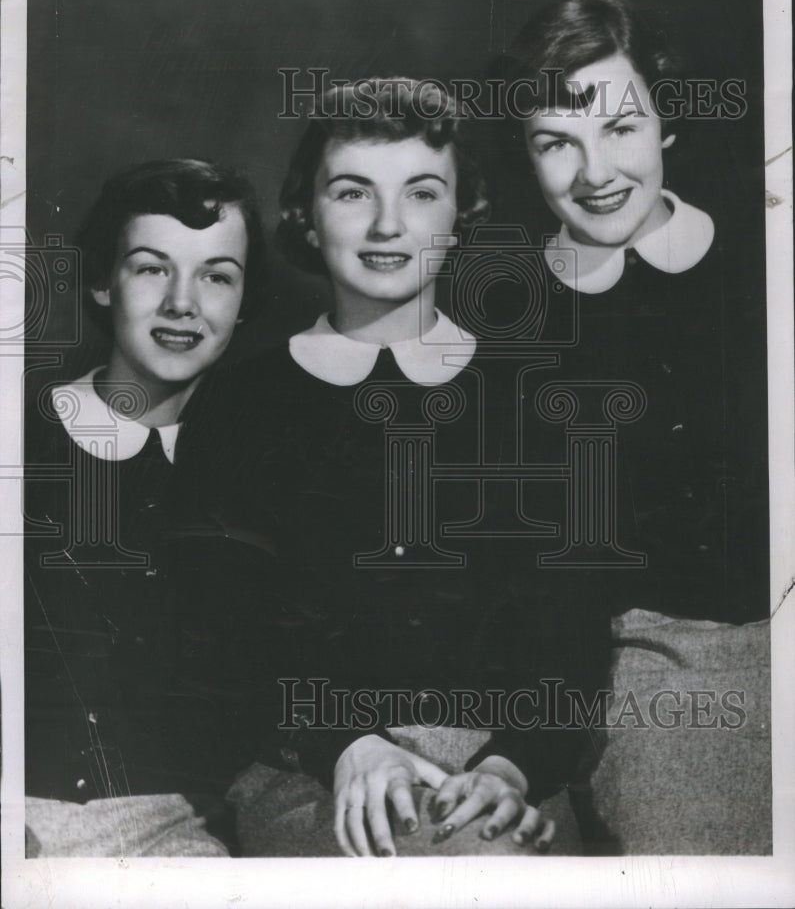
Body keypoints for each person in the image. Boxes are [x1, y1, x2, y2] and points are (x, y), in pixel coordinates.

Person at [178, 78, 612, 857]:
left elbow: (569, 634)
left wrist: (510, 770)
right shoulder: (239, 402)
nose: (387, 224)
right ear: (306, 217)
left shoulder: (537, 396)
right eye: (352, 193)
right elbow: (221, 635)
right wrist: (349, 746)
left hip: (507, 776)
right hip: (311, 770)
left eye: (420, 193)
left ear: (462, 212)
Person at [494, 0, 769, 624]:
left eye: (620, 128)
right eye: (557, 143)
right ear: (526, 155)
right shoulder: (502, 313)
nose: (596, 173)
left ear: (666, 122)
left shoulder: (762, 264)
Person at [24, 158, 268, 856]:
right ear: (102, 281)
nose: (183, 303)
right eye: (152, 268)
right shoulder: (23, 440)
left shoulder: (262, 463)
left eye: (217, 275)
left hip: (173, 833)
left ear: (244, 299)